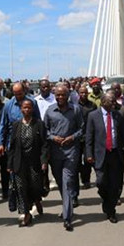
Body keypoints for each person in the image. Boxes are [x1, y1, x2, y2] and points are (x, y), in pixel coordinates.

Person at [44, 85, 84, 231]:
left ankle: (67, 217)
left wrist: (72, 137)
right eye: (58, 95)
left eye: (63, 95)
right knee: (60, 182)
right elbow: (45, 130)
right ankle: (67, 205)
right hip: (55, 152)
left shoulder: (76, 110)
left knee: (67, 182)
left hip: (71, 151)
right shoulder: (50, 111)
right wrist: (53, 137)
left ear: (68, 96)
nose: (60, 97)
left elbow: (82, 128)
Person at [85, 92, 124, 223]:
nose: (114, 103)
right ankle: (106, 199)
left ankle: (111, 211)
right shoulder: (93, 116)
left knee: (115, 185)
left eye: (115, 101)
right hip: (100, 154)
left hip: (115, 154)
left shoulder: (118, 115)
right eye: (111, 101)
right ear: (103, 102)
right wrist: (89, 154)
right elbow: (89, 136)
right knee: (101, 182)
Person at [9, 99, 48, 227]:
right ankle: (26, 213)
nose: (27, 110)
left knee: (35, 185)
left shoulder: (39, 124)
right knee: (21, 187)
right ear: (21, 109)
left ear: (32, 109)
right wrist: (10, 164)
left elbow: (44, 144)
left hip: (34, 161)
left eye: (29, 107)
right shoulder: (16, 125)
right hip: (19, 162)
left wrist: (44, 160)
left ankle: (37, 199)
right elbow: (12, 146)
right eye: (24, 107)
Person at [77, 85, 97, 190]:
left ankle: (86, 180)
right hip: (76, 137)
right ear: (78, 94)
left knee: (87, 159)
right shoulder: (74, 106)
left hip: (89, 136)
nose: (83, 94)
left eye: (85, 92)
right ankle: (81, 177)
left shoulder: (92, 105)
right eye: (81, 93)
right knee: (77, 160)